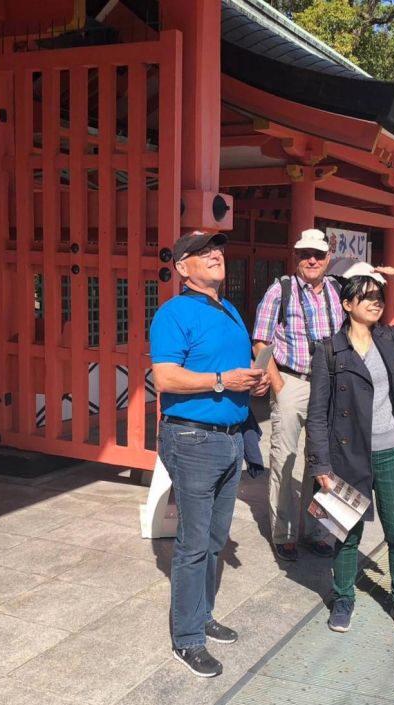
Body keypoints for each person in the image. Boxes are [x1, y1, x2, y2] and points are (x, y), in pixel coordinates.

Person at [150, 230, 269, 678]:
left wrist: (252, 382)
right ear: (183, 268)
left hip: (231, 437)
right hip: (193, 439)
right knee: (194, 544)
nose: (215, 255)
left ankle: (202, 615)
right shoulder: (173, 312)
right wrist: (222, 381)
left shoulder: (231, 308)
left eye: (217, 249)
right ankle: (187, 639)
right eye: (202, 252)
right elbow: (165, 378)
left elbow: (234, 370)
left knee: (216, 538)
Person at [305, 262, 394, 634]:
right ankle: (343, 597)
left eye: (379, 296)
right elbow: (317, 414)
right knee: (346, 533)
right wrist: (320, 465)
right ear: (347, 304)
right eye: (366, 296)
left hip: (393, 451)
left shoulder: (390, 341)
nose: (375, 302)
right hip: (347, 455)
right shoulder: (329, 351)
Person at [252, 228, 345, 561]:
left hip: (331, 384)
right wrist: (276, 385)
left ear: (328, 259)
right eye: (306, 253)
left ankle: (319, 531)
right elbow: (261, 342)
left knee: (325, 461)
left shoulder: (338, 290)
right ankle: (285, 532)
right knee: (285, 459)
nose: (312, 260)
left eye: (318, 255)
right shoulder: (281, 290)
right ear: (296, 256)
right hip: (293, 380)